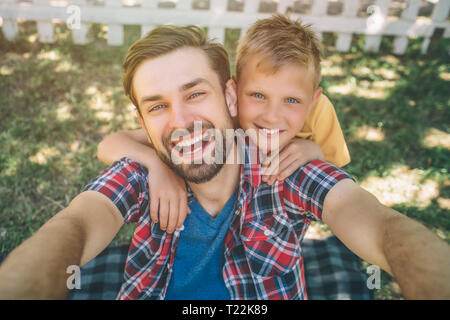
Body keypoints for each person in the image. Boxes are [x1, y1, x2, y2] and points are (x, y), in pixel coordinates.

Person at [0, 20, 449, 300]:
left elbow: (380, 223)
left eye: (195, 93)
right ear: (141, 119)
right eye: (158, 106)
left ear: (230, 95)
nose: (181, 122)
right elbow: (74, 227)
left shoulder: (283, 167)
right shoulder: (141, 172)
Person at [97, 14, 351, 234]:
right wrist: (156, 166)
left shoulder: (318, 112)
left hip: (284, 224)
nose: (272, 116)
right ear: (234, 91)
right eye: (258, 95)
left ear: (311, 100)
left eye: (292, 100)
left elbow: (332, 182)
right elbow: (110, 144)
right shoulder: (222, 116)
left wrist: (313, 151)